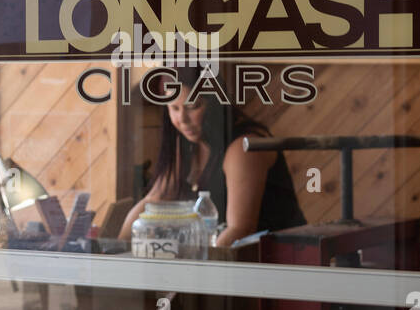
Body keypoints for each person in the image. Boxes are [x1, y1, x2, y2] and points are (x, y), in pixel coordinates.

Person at [119, 66, 305, 246]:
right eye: (174, 108)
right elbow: (153, 200)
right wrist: (116, 249)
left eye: (192, 106)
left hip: (281, 261)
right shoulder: (186, 144)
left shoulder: (241, 147)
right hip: (226, 263)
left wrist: (200, 270)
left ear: (214, 102)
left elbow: (239, 230)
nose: (182, 120)